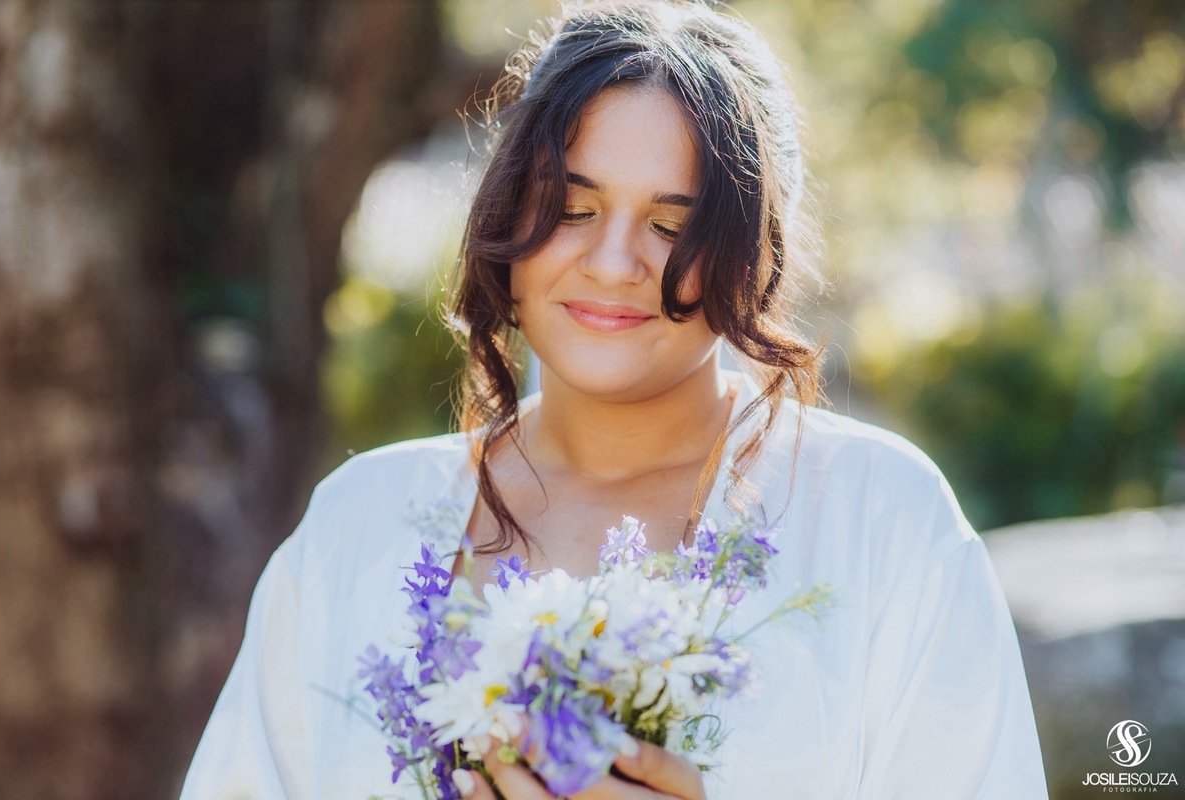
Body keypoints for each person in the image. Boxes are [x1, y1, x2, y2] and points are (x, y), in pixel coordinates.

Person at [181, 1, 1049, 798]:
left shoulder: (883, 525)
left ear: (753, 253)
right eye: (571, 207)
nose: (612, 263)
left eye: (673, 226)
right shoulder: (356, 528)